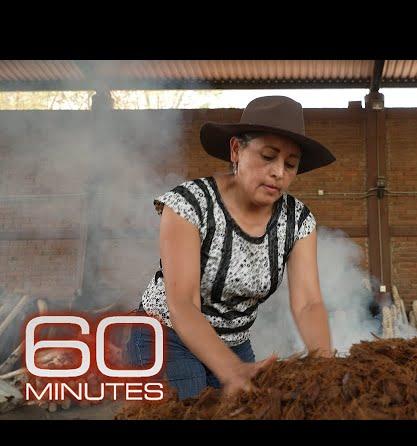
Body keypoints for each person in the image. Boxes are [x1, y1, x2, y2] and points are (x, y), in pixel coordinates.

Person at [129, 96, 337, 400]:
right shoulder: (189, 204)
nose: (280, 172)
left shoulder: (298, 220)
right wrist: (232, 369)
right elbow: (183, 303)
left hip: (234, 342)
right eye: (268, 156)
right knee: (190, 407)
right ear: (236, 150)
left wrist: (325, 366)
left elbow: (308, 303)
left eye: (291, 164)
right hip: (167, 335)